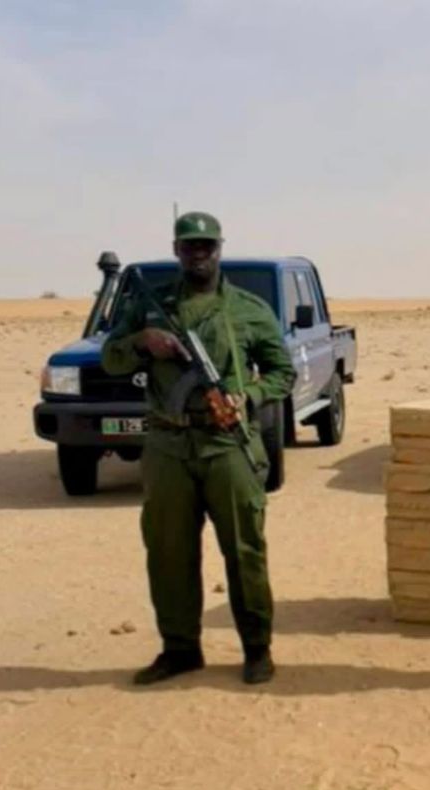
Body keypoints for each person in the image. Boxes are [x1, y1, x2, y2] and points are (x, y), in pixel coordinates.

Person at [102, 211, 295, 686]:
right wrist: (143, 342)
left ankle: (257, 649)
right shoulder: (149, 306)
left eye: (207, 246)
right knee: (169, 552)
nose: (199, 254)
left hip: (226, 443)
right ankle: (180, 649)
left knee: (245, 550)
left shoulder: (249, 309)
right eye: (190, 246)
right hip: (168, 443)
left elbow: (282, 373)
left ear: (219, 248)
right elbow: (111, 358)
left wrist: (247, 396)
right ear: (177, 250)